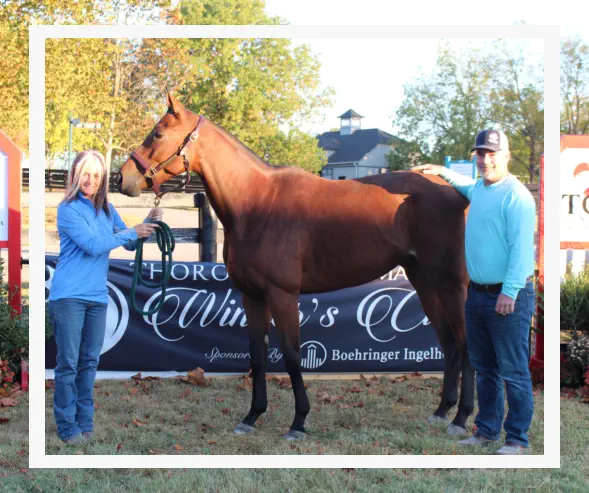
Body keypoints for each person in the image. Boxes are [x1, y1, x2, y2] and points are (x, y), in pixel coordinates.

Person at [413, 129, 536, 455]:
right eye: (481, 154)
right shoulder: (480, 189)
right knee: (485, 369)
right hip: (477, 294)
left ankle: (516, 439)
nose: (486, 159)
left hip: (508, 296)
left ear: (506, 156)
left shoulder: (517, 196)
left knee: (513, 371)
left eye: (492, 154)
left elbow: (522, 250)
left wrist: (510, 292)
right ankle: (486, 431)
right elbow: (464, 185)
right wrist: (442, 171)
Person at [47, 150, 162, 445]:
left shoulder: (108, 210)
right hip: (69, 297)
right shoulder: (68, 209)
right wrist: (131, 232)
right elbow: (93, 245)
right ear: (75, 175)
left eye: (97, 175)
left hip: (97, 298)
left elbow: (129, 244)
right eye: (85, 174)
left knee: (89, 362)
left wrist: (147, 224)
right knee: (68, 364)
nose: (91, 180)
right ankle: (67, 426)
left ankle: (85, 422)